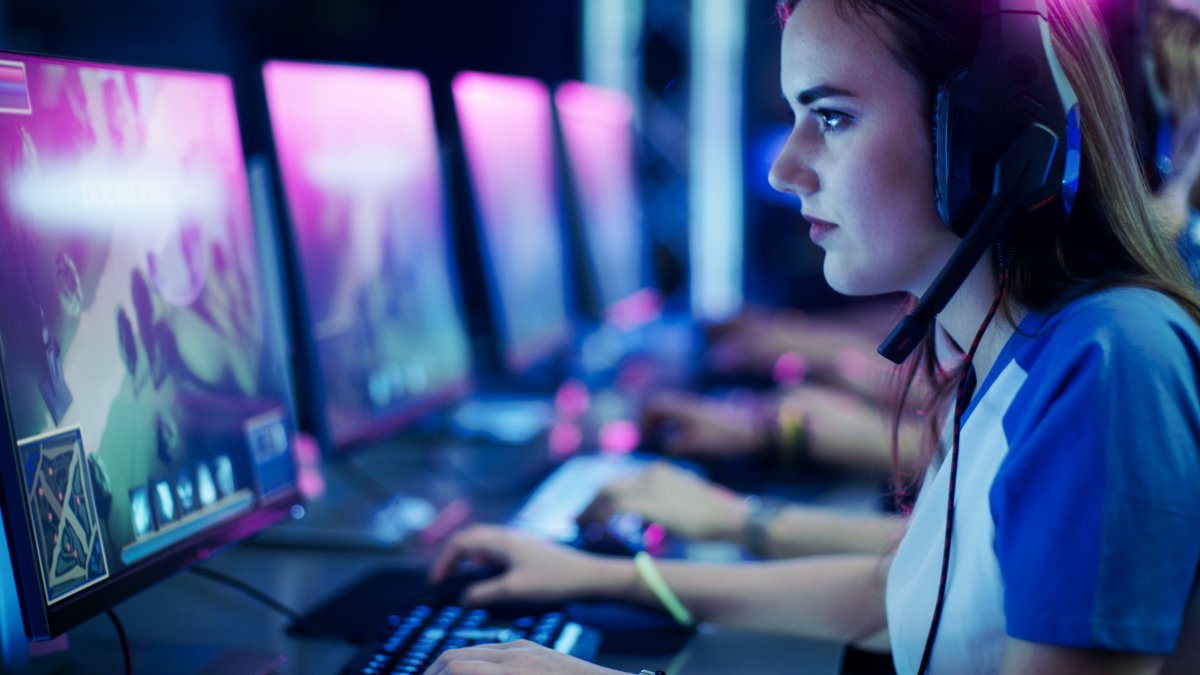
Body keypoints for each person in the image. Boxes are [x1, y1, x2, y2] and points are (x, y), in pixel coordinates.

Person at [427, 0, 1200, 673]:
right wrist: (607, 578)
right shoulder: (1015, 346)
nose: (785, 169)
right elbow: (896, 593)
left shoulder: (1110, 363)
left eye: (830, 117)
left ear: (992, 138)